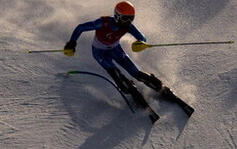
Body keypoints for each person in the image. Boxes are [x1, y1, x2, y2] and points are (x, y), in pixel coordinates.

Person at [63, 2, 193, 116]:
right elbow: (81, 27)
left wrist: (141, 42)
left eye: (131, 19)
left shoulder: (128, 26)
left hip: (116, 50)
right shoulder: (103, 22)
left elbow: (141, 37)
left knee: (137, 74)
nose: (128, 22)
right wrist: (72, 43)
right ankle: (130, 88)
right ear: (117, 15)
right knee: (120, 81)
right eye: (125, 18)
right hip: (100, 53)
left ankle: (160, 87)